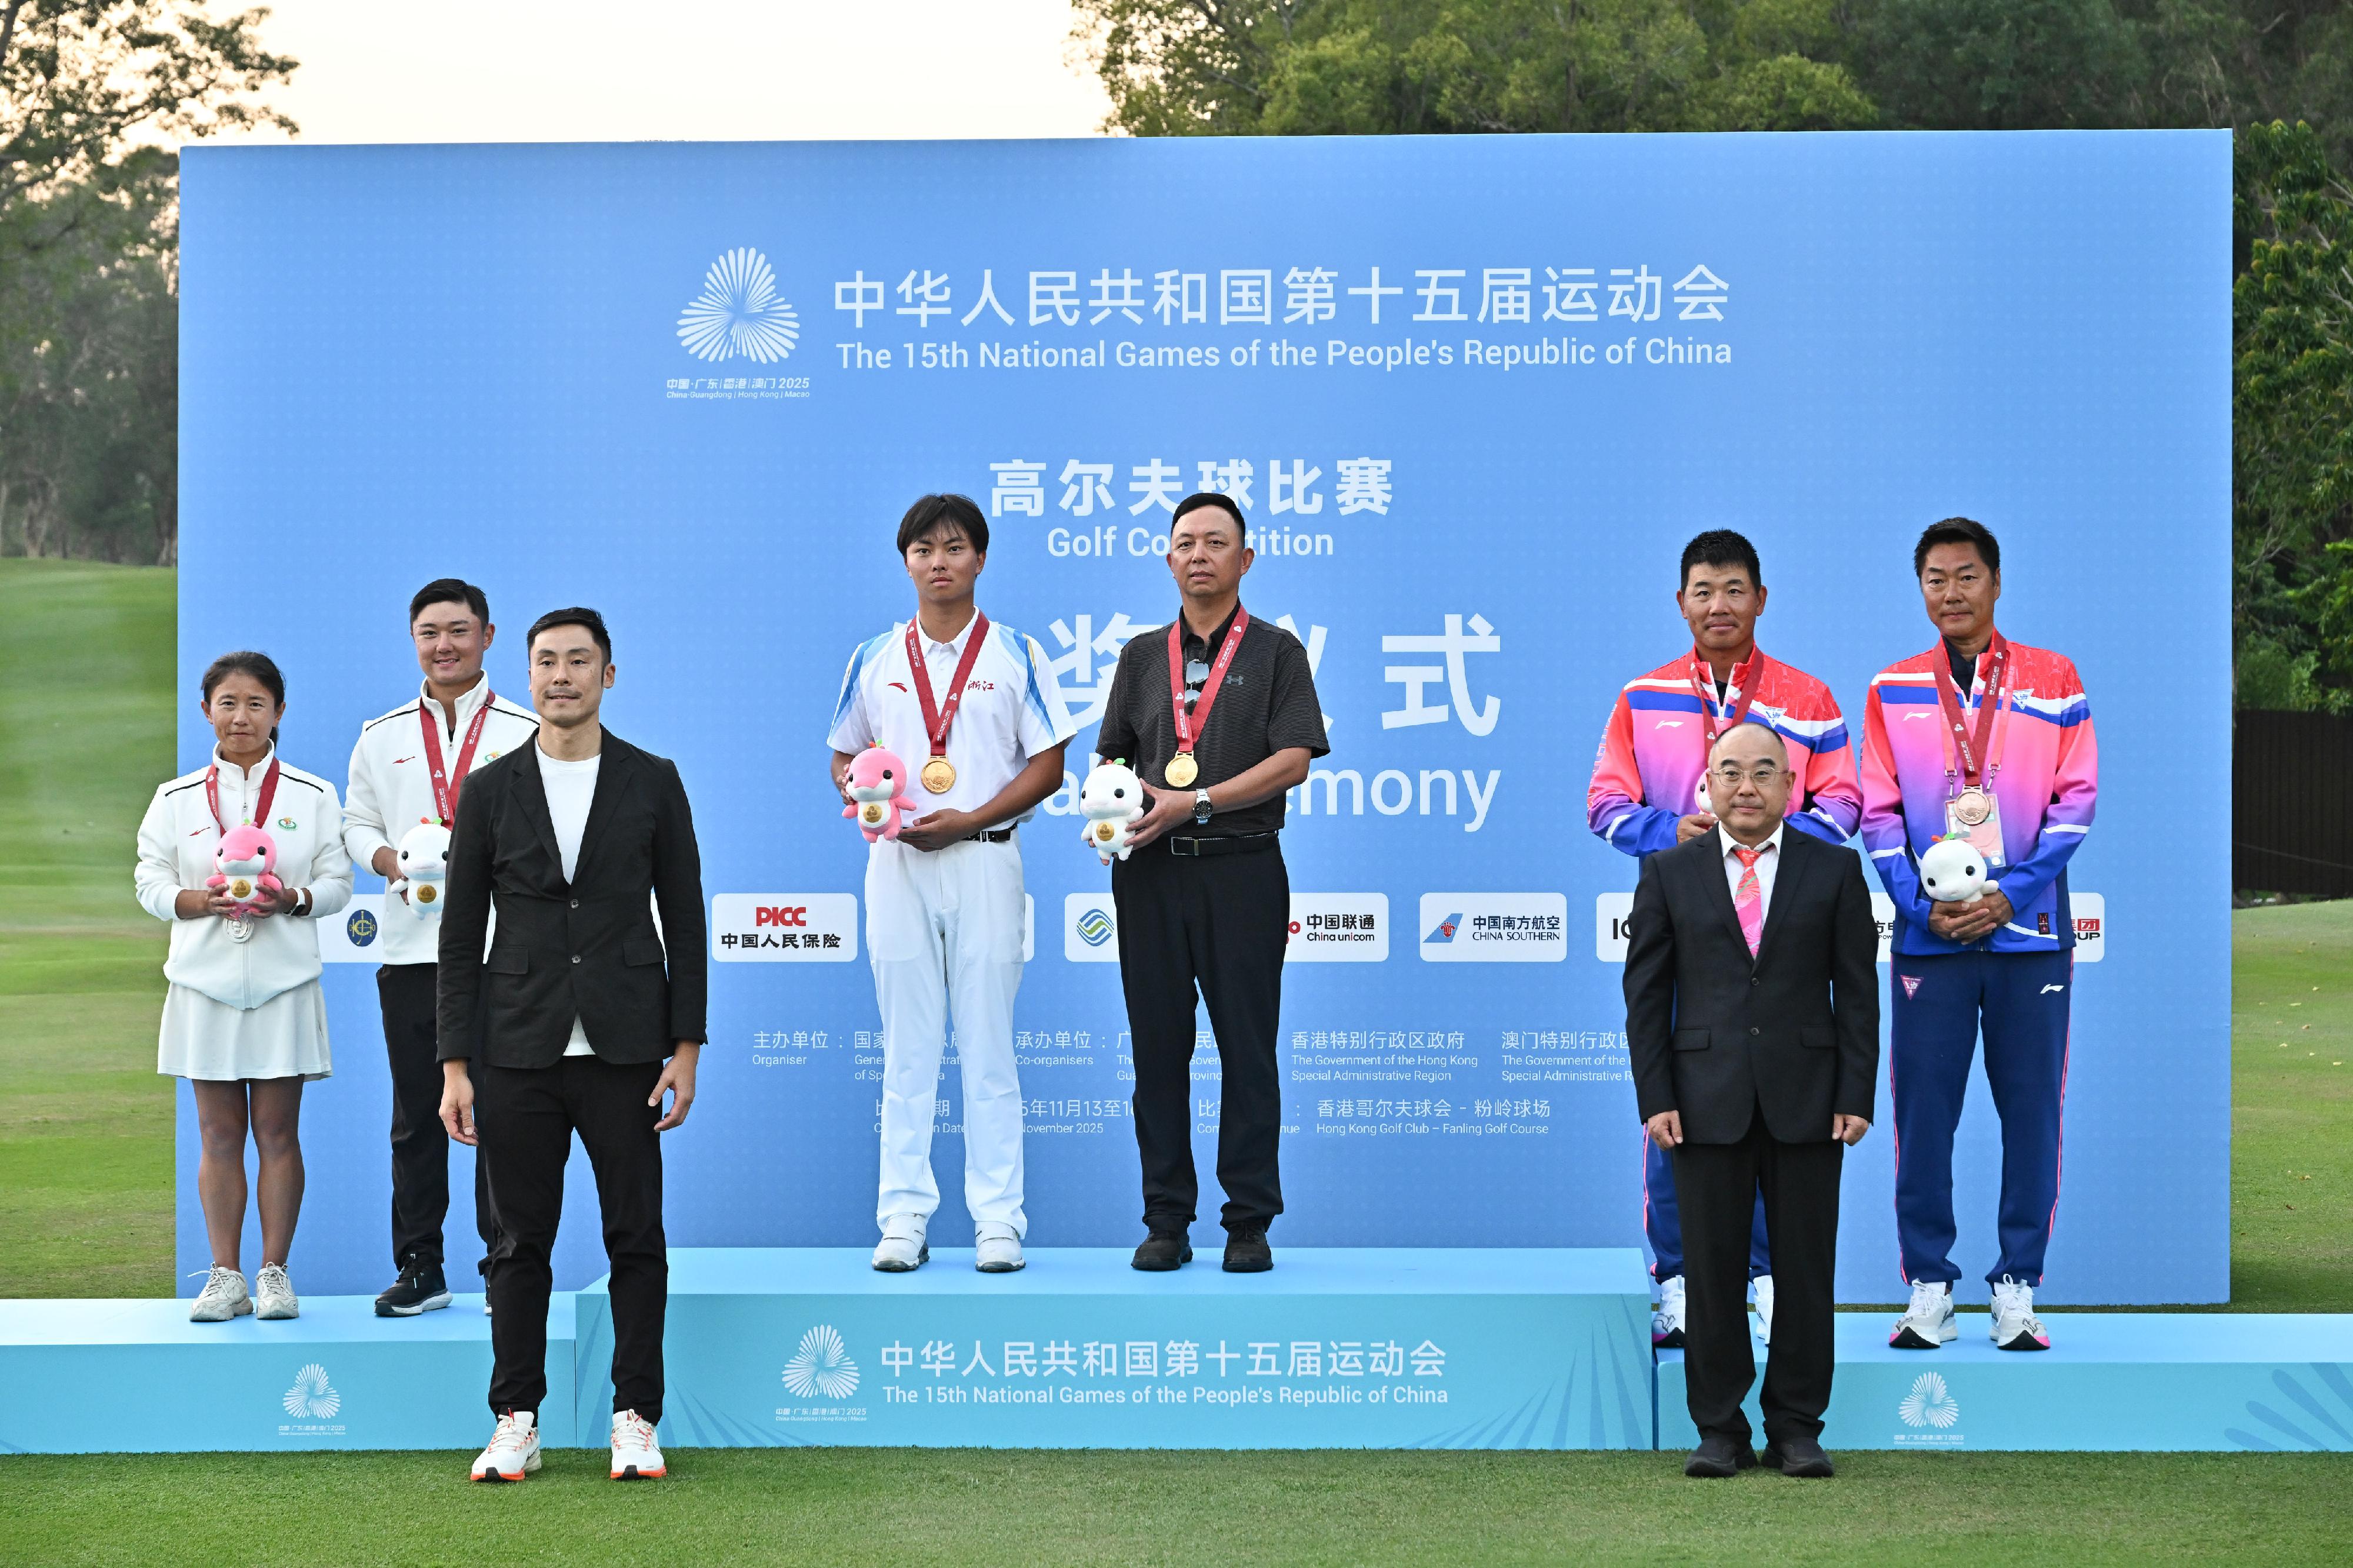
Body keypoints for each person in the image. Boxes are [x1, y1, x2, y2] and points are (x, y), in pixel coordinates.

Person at [436, 608, 706, 1483]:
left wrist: (687, 1046)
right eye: (547, 661)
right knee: (518, 1243)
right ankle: (517, 1416)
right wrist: (454, 1064)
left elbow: (689, 921)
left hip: (628, 1047)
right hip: (517, 1047)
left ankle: (637, 1416)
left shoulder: (654, 780)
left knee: (637, 1236)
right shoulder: (488, 789)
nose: (562, 675)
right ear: (527, 675)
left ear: (609, 675)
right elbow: (458, 935)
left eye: (579, 661)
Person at [1585, 529, 1862, 1350]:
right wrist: (1679, 832)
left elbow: (1844, 804)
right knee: (1679, 1098)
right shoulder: (1643, 695)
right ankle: (1676, 1281)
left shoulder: (1808, 698)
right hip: (1687, 913)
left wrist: (1764, 834)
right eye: (1703, 590)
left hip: (1787, 920)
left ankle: (1771, 1285)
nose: (1719, 605)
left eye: (1734, 589)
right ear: (1682, 603)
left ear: (1761, 599)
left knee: (1785, 1099)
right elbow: (1604, 804)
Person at [826, 494, 1078, 1275]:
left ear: (981, 558)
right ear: (905, 561)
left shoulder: (1017, 653)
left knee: (988, 1046)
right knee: (907, 1049)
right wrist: (864, 793)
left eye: (955, 547)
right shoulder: (872, 656)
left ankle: (998, 1222)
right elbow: (844, 754)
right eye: (924, 549)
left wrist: (970, 818)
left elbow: (1049, 765)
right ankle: (903, 1218)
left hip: (987, 858)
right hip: (897, 861)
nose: (940, 561)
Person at [1862, 518, 2097, 1354]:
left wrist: (2010, 894)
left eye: (1965, 576)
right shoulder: (1893, 686)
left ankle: (2016, 1285)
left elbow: (2077, 802)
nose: (1951, 593)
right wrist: (1921, 906)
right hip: (1932, 940)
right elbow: (1878, 811)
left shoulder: (2052, 677)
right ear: (1920, 587)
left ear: (1995, 582)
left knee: (2031, 1111)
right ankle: (1929, 1284)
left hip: (2029, 933)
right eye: (1935, 578)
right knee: (1924, 1114)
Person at [1624, 722, 1878, 1479]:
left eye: (1762, 772)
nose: (1745, 786)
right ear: (1707, 782)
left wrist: (1856, 1091)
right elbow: (1645, 995)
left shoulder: (1832, 870)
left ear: (1788, 785)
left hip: (1809, 1100)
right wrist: (1656, 1095)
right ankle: (1719, 1428)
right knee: (1709, 1268)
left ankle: (1797, 1425)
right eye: (1729, 771)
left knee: (1804, 1269)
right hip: (1703, 1101)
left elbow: (1858, 993)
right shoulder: (1669, 870)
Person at [1094, 491, 1328, 1274]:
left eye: (1216, 542)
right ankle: (1166, 1220)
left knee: (1247, 1052)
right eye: (1185, 541)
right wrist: (1110, 814)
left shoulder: (1276, 652)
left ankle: (1248, 1222)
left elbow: (1293, 757)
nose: (1199, 554)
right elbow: (1114, 758)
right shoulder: (1138, 656)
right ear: (1168, 559)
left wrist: (1194, 798)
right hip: (1150, 875)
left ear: (1245, 559)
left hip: (1243, 870)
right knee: (1158, 1053)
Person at [135, 652, 353, 1323]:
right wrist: (198, 900)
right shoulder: (175, 799)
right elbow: (149, 881)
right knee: (217, 1132)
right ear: (206, 710)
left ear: (279, 713)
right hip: (204, 983)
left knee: (279, 1131)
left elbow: (338, 886)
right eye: (227, 702)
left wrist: (290, 899)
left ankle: (274, 1273)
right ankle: (225, 1274)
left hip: (283, 984)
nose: (241, 716)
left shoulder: (313, 796)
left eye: (256, 703)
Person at [345, 579, 538, 1317]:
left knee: (503, 1109)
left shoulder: (524, 729)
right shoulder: (382, 733)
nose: (445, 645)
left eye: (459, 630)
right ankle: (421, 1263)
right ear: (414, 639)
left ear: (488, 636)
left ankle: (504, 1265)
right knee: (417, 1111)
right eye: (430, 632)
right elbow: (356, 823)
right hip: (409, 948)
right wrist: (390, 859)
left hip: (499, 952)